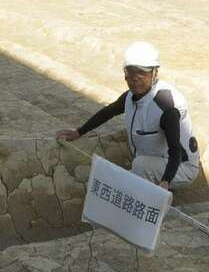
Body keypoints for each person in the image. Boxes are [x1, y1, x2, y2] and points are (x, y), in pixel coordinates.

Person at [57, 41, 200, 190]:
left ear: (154, 73)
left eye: (142, 72)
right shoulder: (130, 97)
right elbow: (109, 111)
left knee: (138, 167)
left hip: (181, 167)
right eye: (130, 72)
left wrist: (165, 181)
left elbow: (175, 151)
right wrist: (79, 132)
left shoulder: (166, 106)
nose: (135, 78)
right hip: (154, 161)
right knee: (134, 168)